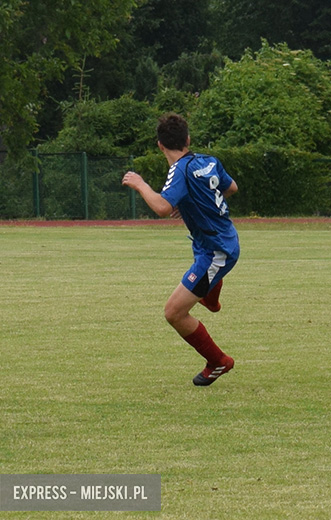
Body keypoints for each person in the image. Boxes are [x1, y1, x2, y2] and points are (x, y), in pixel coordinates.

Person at [122, 113, 239, 386]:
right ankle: (209, 297)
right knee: (198, 290)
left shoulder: (179, 171)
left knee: (173, 313)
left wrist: (140, 184)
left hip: (215, 250)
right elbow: (231, 187)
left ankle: (218, 361)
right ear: (188, 139)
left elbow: (162, 207)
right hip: (221, 240)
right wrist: (194, 203)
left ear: (160, 145)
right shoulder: (208, 160)